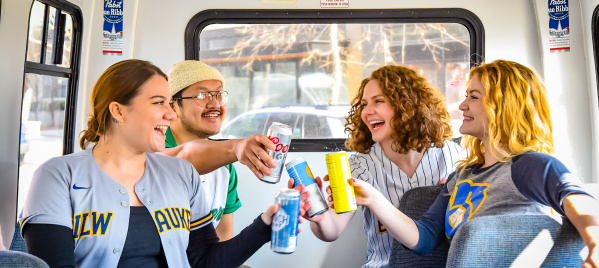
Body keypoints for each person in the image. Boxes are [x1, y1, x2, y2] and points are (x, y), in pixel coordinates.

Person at [18, 59, 307, 268]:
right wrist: (237, 147)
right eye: (159, 103)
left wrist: (265, 225)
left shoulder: (181, 175)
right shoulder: (57, 176)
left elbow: (205, 261)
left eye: (171, 104)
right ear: (118, 111)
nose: (170, 115)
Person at [340, 60, 599, 267]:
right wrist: (373, 199)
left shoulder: (528, 165)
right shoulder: (461, 176)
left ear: (502, 106)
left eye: (473, 97)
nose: (462, 104)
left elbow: (576, 197)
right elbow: (424, 238)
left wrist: (594, 244)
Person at [292, 65, 462, 268]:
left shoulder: (453, 156)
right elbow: (332, 229)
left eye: (379, 101)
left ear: (409, 106)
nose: (367, 112)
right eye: (364, 104)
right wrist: (317, 215)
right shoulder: (358, 166)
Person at [161, 60, 240, 241]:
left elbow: (223, 235)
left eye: (220, 94)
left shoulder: (225, 165)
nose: (215, 104)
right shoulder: (154, 149)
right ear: (173, 105)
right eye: (202, 95)